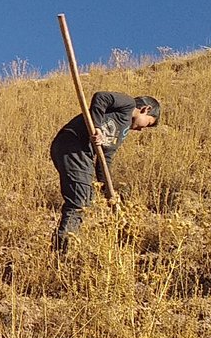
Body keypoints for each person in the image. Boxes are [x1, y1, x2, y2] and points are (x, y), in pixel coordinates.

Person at [51, 91, 161, 252]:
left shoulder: (121, 134)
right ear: (145, 109)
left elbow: (105, 161)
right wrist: (96, 128)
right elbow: (101, 97)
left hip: (83, 155)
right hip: (73, 144)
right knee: (79, 201)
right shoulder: (128, 104)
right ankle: (60, 252)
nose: (142, 130)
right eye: (148, 124)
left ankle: (63, 246)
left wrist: (108, 192)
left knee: (86, 199)